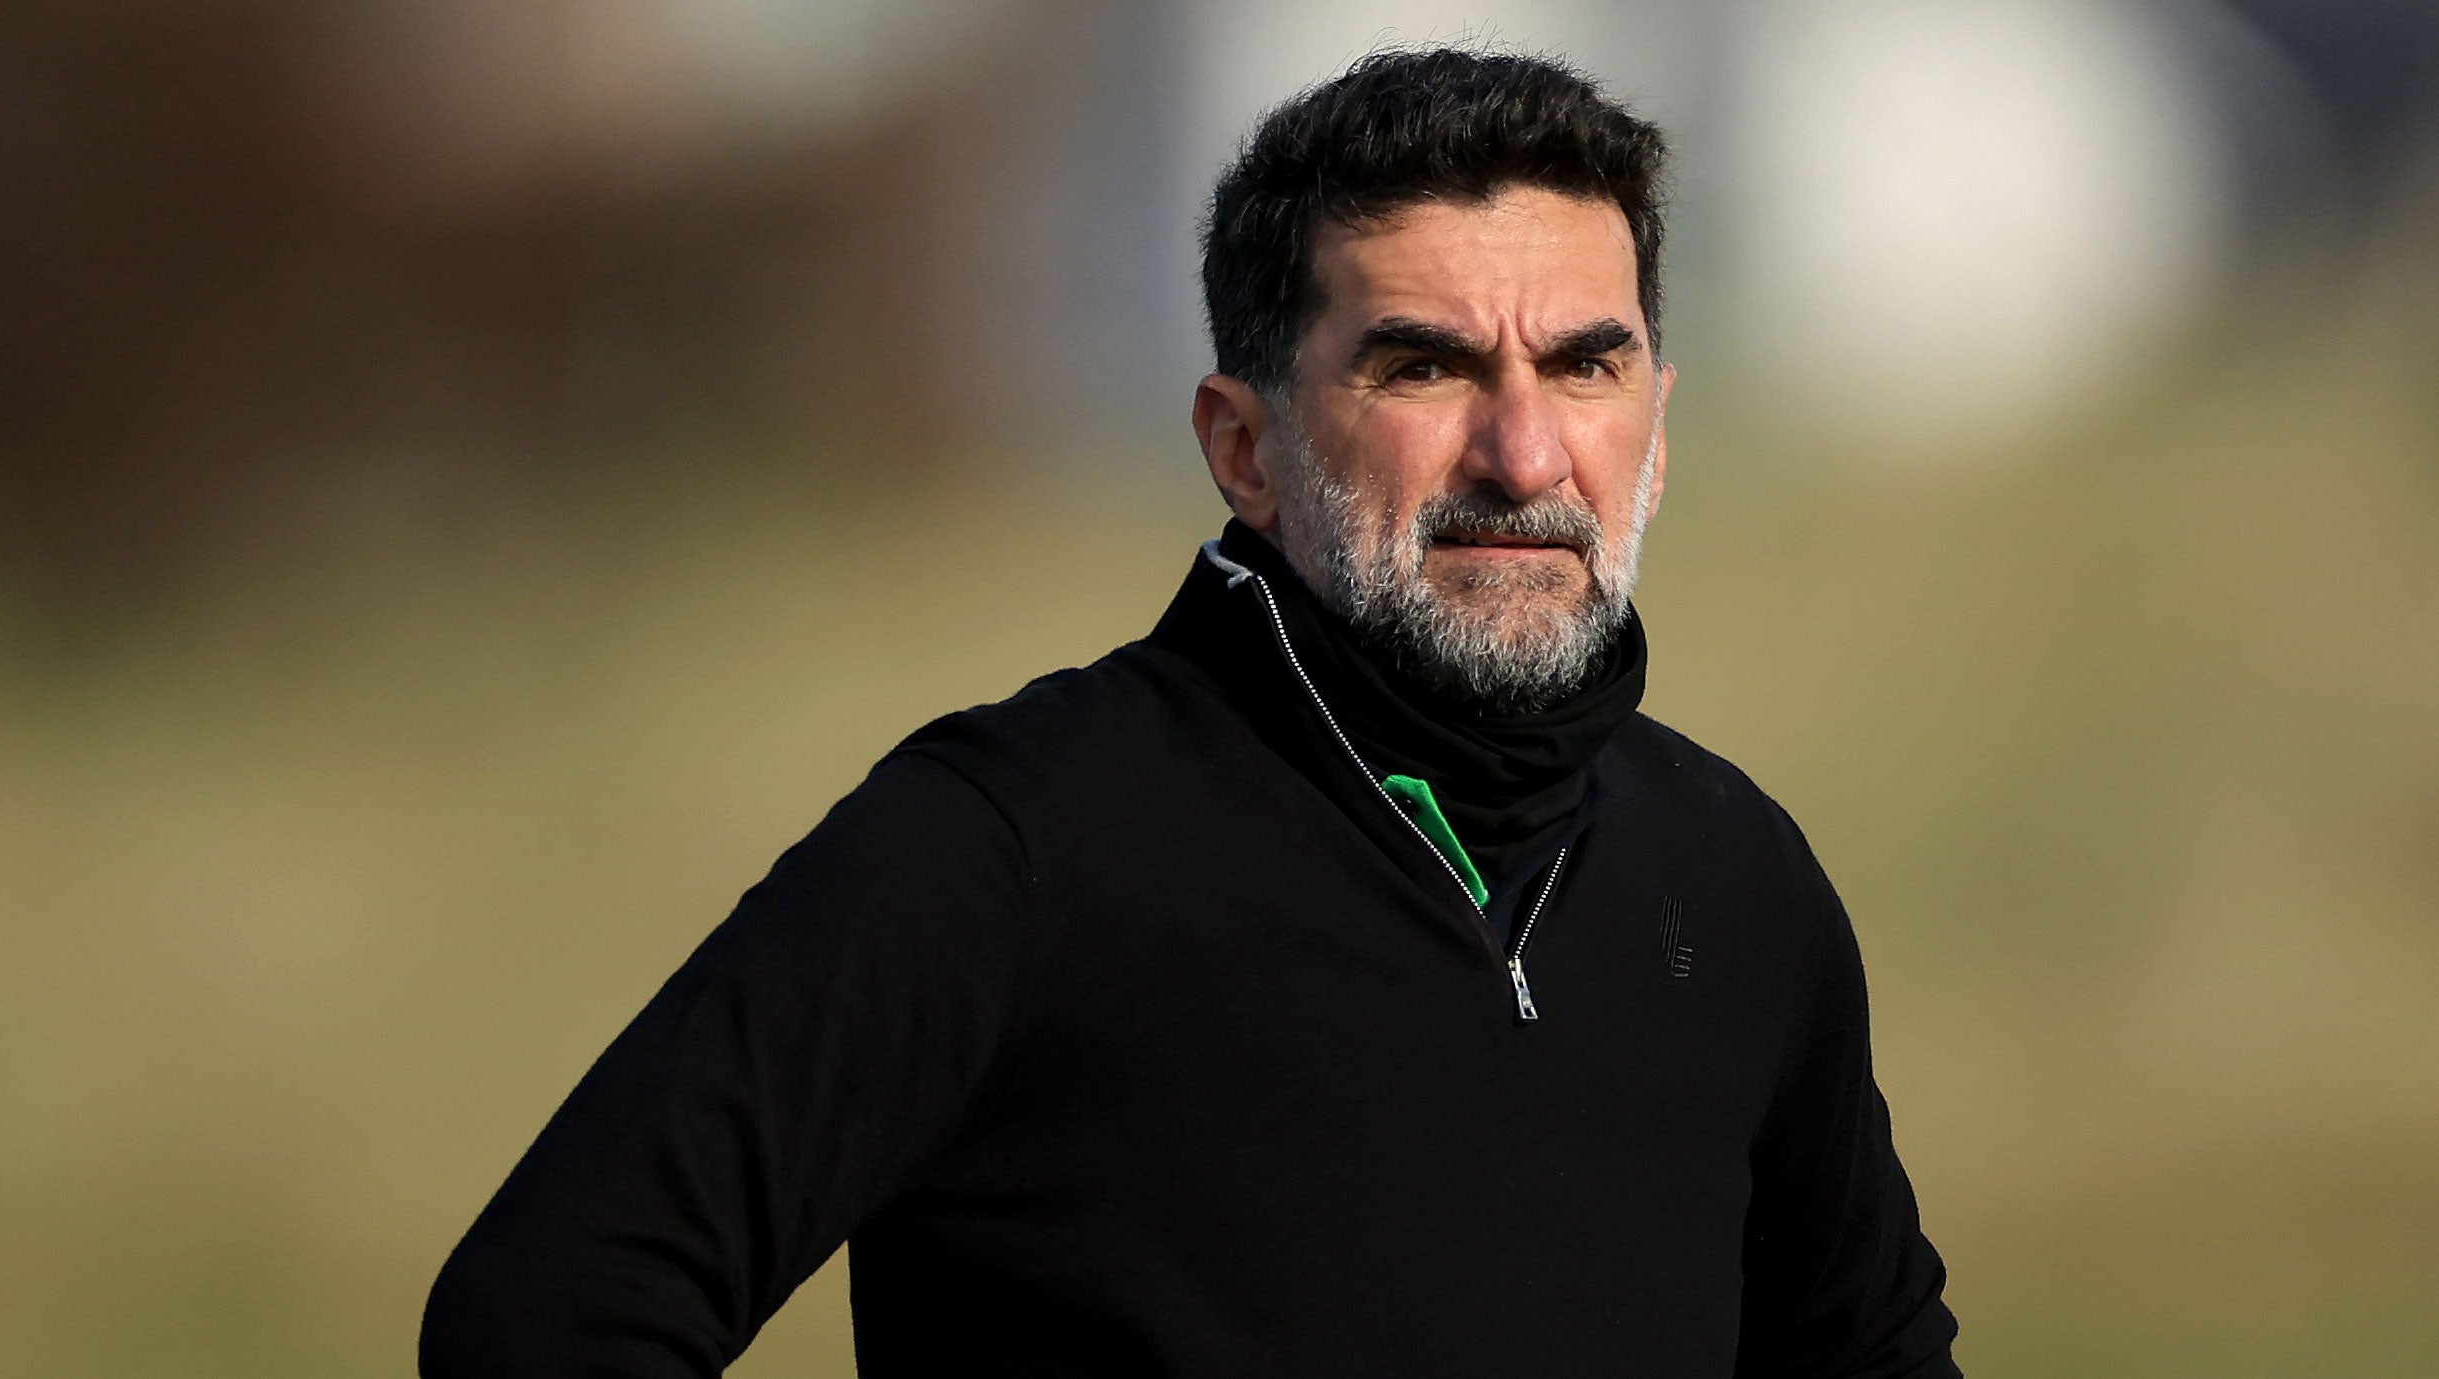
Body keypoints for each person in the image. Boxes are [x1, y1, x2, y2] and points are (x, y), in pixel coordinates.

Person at [421, 47, 1961, 1378]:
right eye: (1422, 367)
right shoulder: (1013, 845)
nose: (1524, 450)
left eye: (1584, 365)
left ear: (1659, 429)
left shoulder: (1734, 879)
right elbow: (551, 1316)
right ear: (1243, 446)